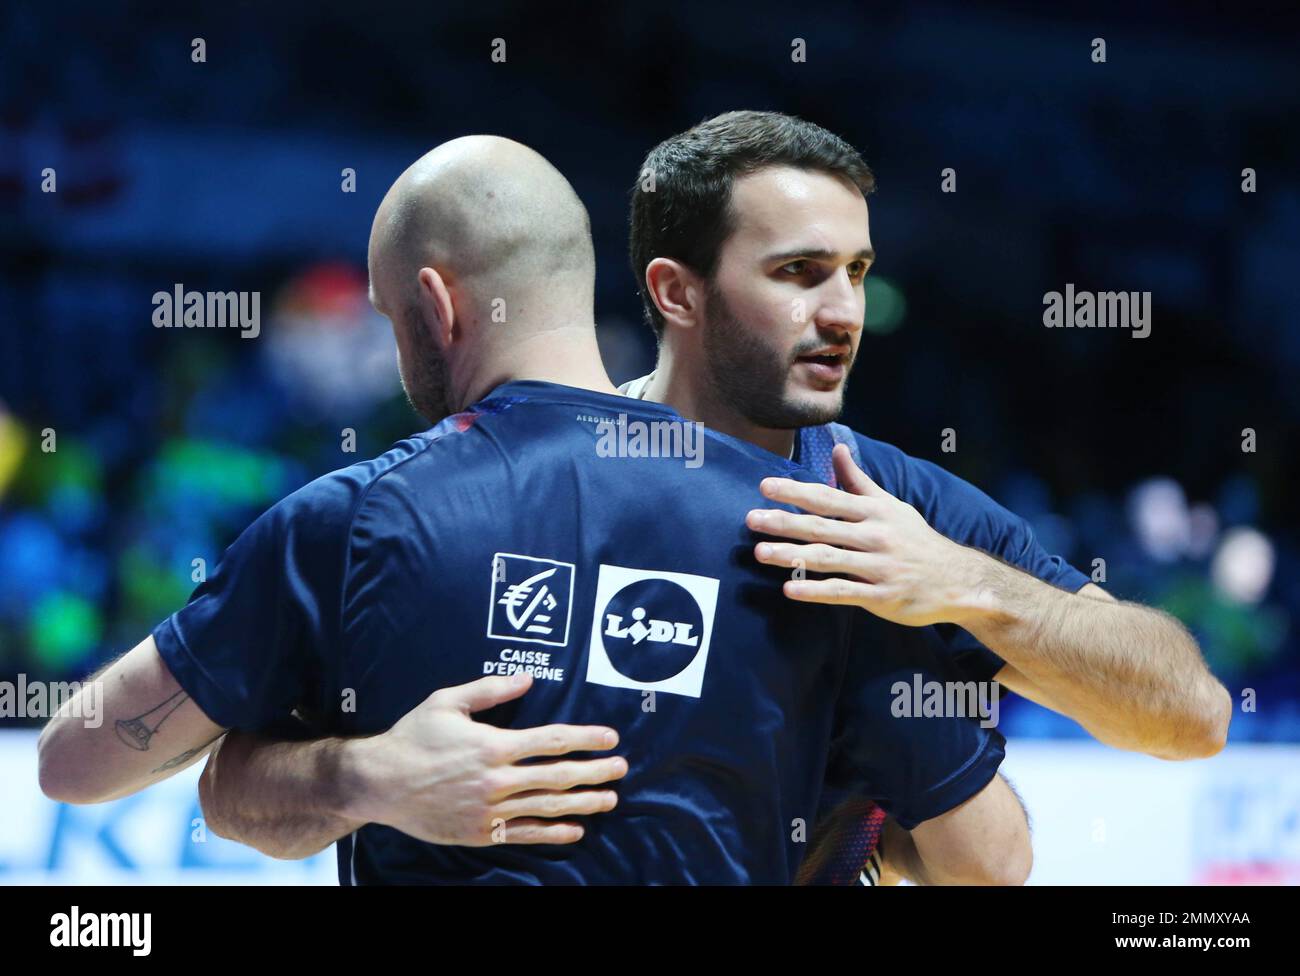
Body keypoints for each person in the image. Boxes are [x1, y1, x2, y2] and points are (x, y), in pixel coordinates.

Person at [38, 135, 1027, 884]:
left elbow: (78, 761)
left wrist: (364, 775)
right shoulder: (811, 531)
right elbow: (989, 865)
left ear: (438, 303)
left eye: (390, 319)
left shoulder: (350, 519)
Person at [620, 109, 1231, 883]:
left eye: (857, 271)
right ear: (678, 292)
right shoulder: (548, 480)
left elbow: (1192, 717)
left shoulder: (898, 507)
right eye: (799, 272)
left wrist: (968, 586)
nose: (846, 312)